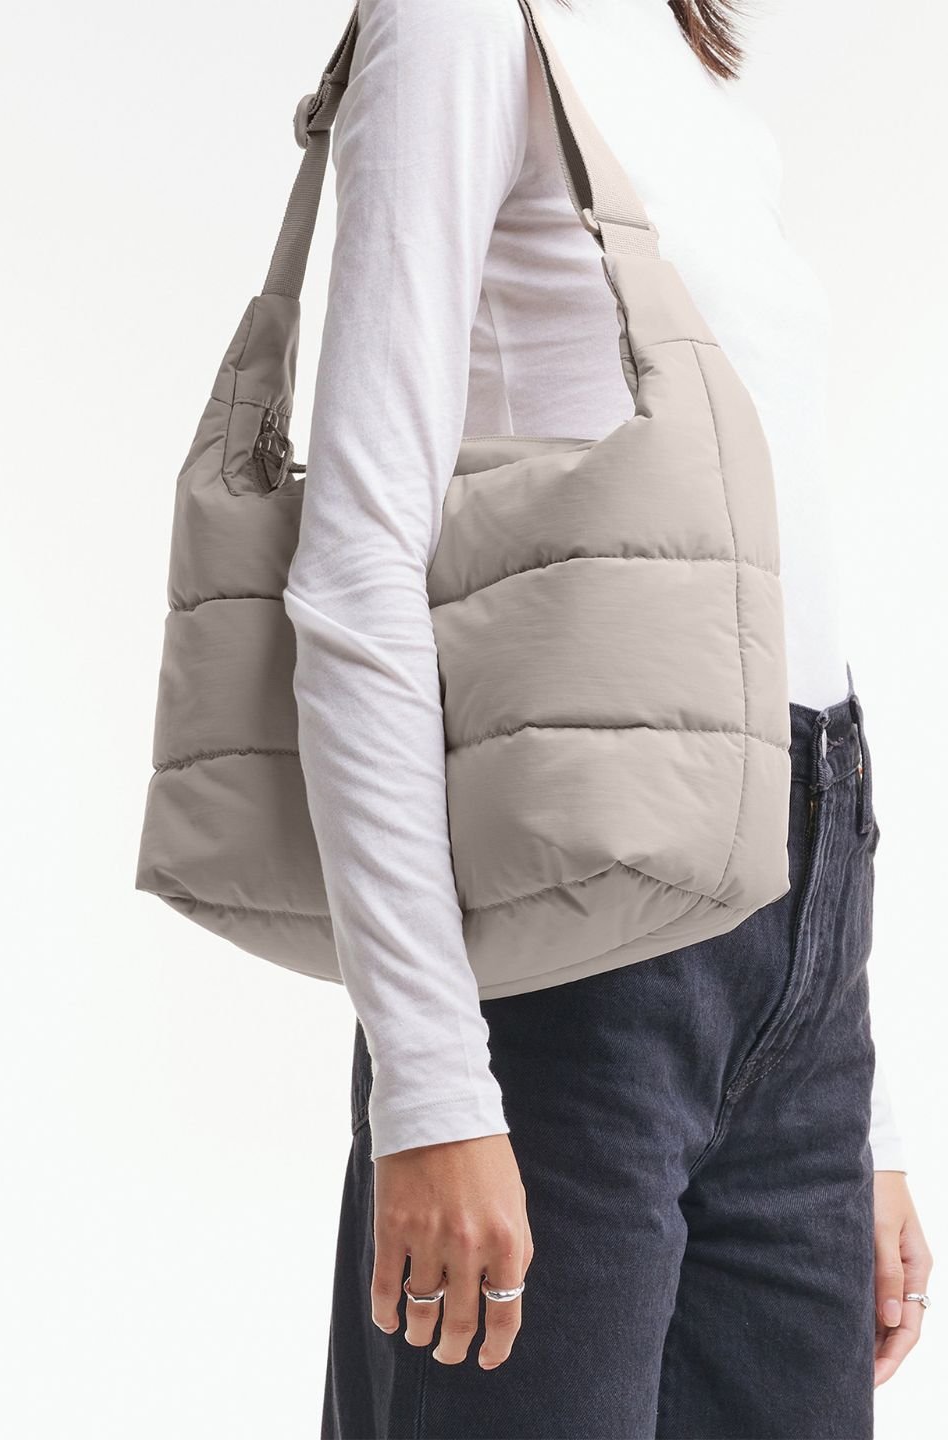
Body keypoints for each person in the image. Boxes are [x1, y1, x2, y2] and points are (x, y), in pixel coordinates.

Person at [280, 1, 933, 1435]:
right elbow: (357, 572)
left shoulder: (679, 63)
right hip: (574, 960)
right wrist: (433, 1087)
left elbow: (781, 584)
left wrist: (862, 1115)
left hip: (803, 922)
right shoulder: (462, 24)